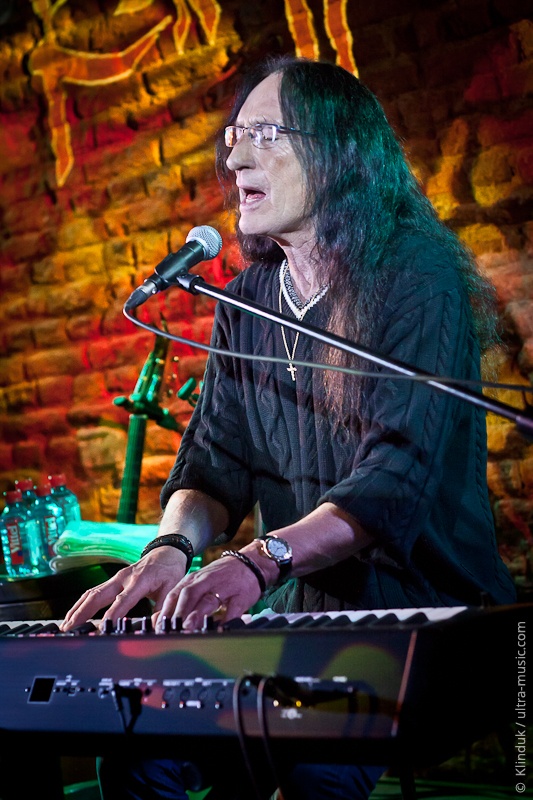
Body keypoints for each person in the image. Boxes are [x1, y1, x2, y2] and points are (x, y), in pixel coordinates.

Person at [62, 56, 516, 799]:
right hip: (303, 619)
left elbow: (393, 477)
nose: (235, 158)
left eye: (266, 134)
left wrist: (260, 560)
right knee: (138, 760)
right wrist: (171, 548)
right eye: (235, 137)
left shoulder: (415, 276)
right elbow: (213, 464)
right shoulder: (245, 300)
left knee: (312, 769)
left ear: (339, 153)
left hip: (431, 614)